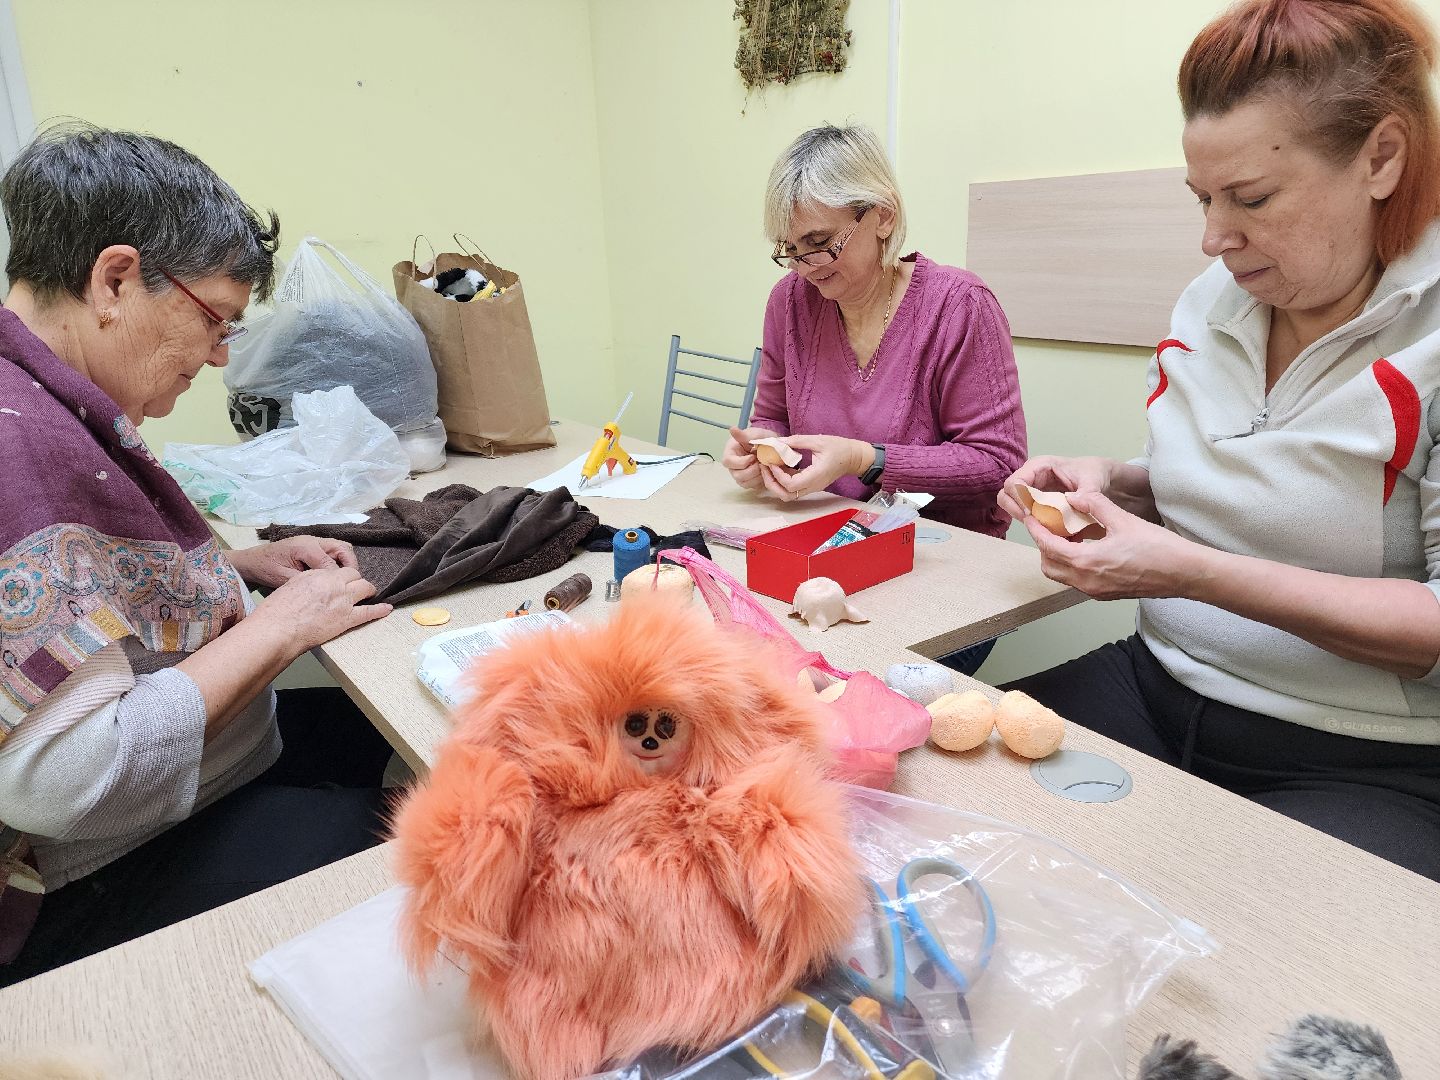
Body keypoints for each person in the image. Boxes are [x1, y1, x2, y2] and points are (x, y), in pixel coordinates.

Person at [1001, 0, 1440, 880]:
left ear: (1381, 159)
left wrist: (1181, 568)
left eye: (1252, 198)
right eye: (1203, 198)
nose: (1214, 237)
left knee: (1265, 981)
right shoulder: (1215, 299)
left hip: (1359, 759)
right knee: (933, 792)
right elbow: (1233, 482)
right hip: (1155, 684)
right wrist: (1120, 483)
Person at [0, 125, 396, 985]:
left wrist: (235, 569)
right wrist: (282, 627)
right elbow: (67, 781)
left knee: (380, 729)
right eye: (215, 320)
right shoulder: (19, 451)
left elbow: (85, 583)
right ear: (114, 280)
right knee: (433, 832)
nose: (220, 356)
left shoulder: (42, 404)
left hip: (195, 786)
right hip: (101, 876)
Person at [723, 124, 1028, 674]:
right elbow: (771, 414)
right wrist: (761, 449)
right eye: (788, 252)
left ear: (882, 216)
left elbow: (998, 463)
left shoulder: (959, 306)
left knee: (856, 698)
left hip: (942, 558)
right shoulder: (790, 300)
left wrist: (869, 460)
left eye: (820, 244)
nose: (806, 269)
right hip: (829, 539)